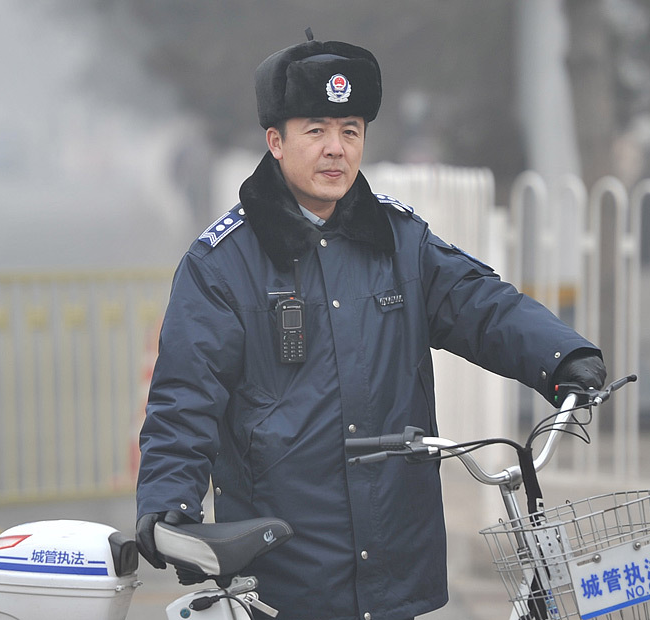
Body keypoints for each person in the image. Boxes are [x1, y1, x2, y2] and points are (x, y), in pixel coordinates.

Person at [134, 32, 606, 620]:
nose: (336, 149)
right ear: (275, 141)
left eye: (350, 131)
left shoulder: (400, 240)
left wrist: (562, 356)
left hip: (393, 555)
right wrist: (168, 506)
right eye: (316, 131)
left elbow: (481, 303)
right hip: (288, 569)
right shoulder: (221, 266)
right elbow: (184, 399)